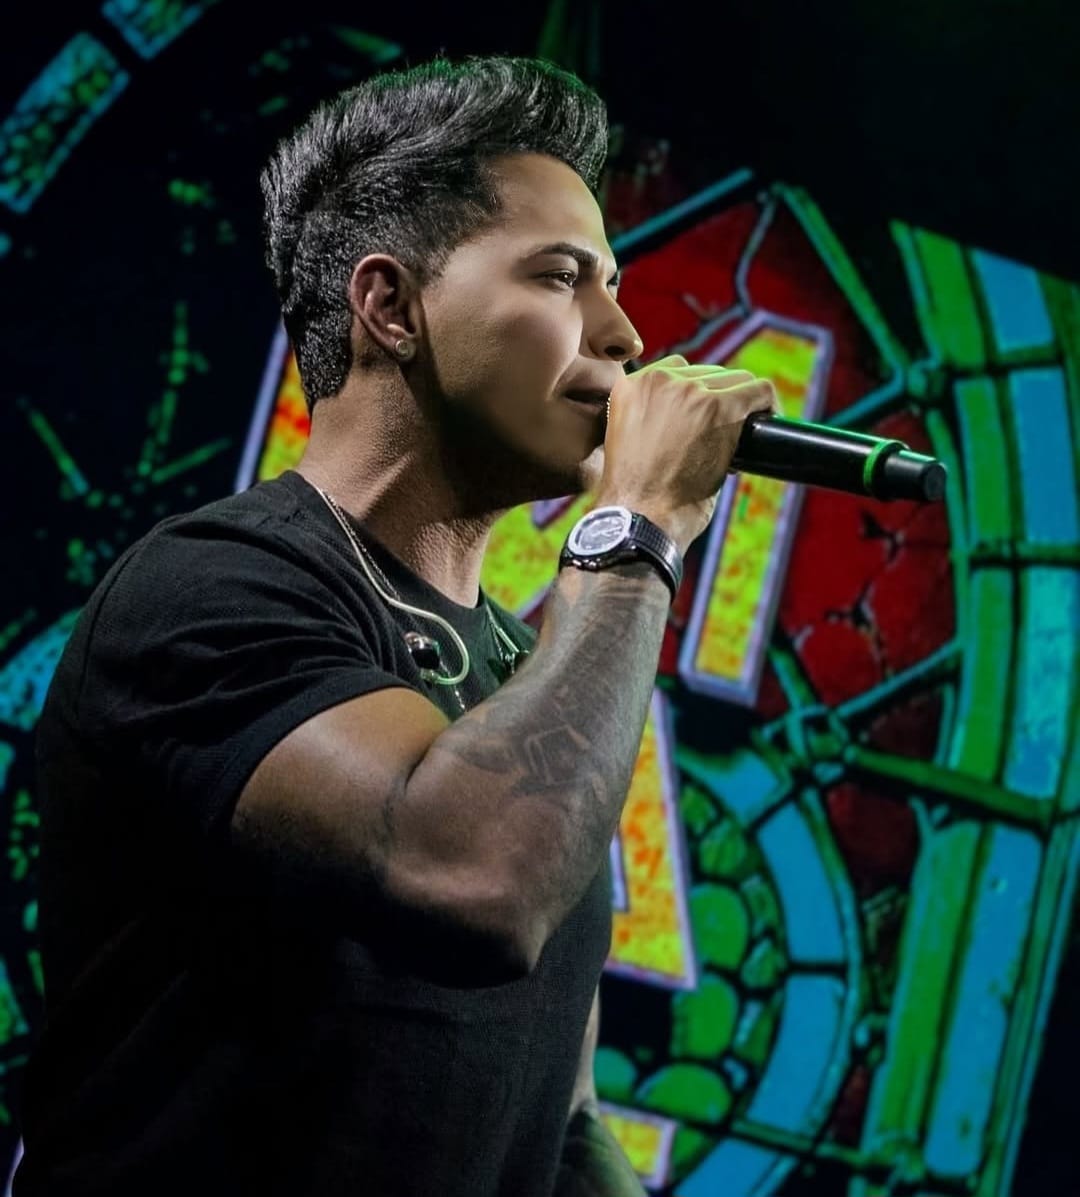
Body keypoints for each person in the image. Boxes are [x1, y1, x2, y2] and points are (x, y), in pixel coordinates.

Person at [14, 55, 777, 1197]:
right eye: (561, 276)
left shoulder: (529, 674)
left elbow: (559, 1118)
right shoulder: (214, 586)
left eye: (613, 284)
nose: (623, 334)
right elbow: (475, 877)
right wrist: (639, 525)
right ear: (389, 306)